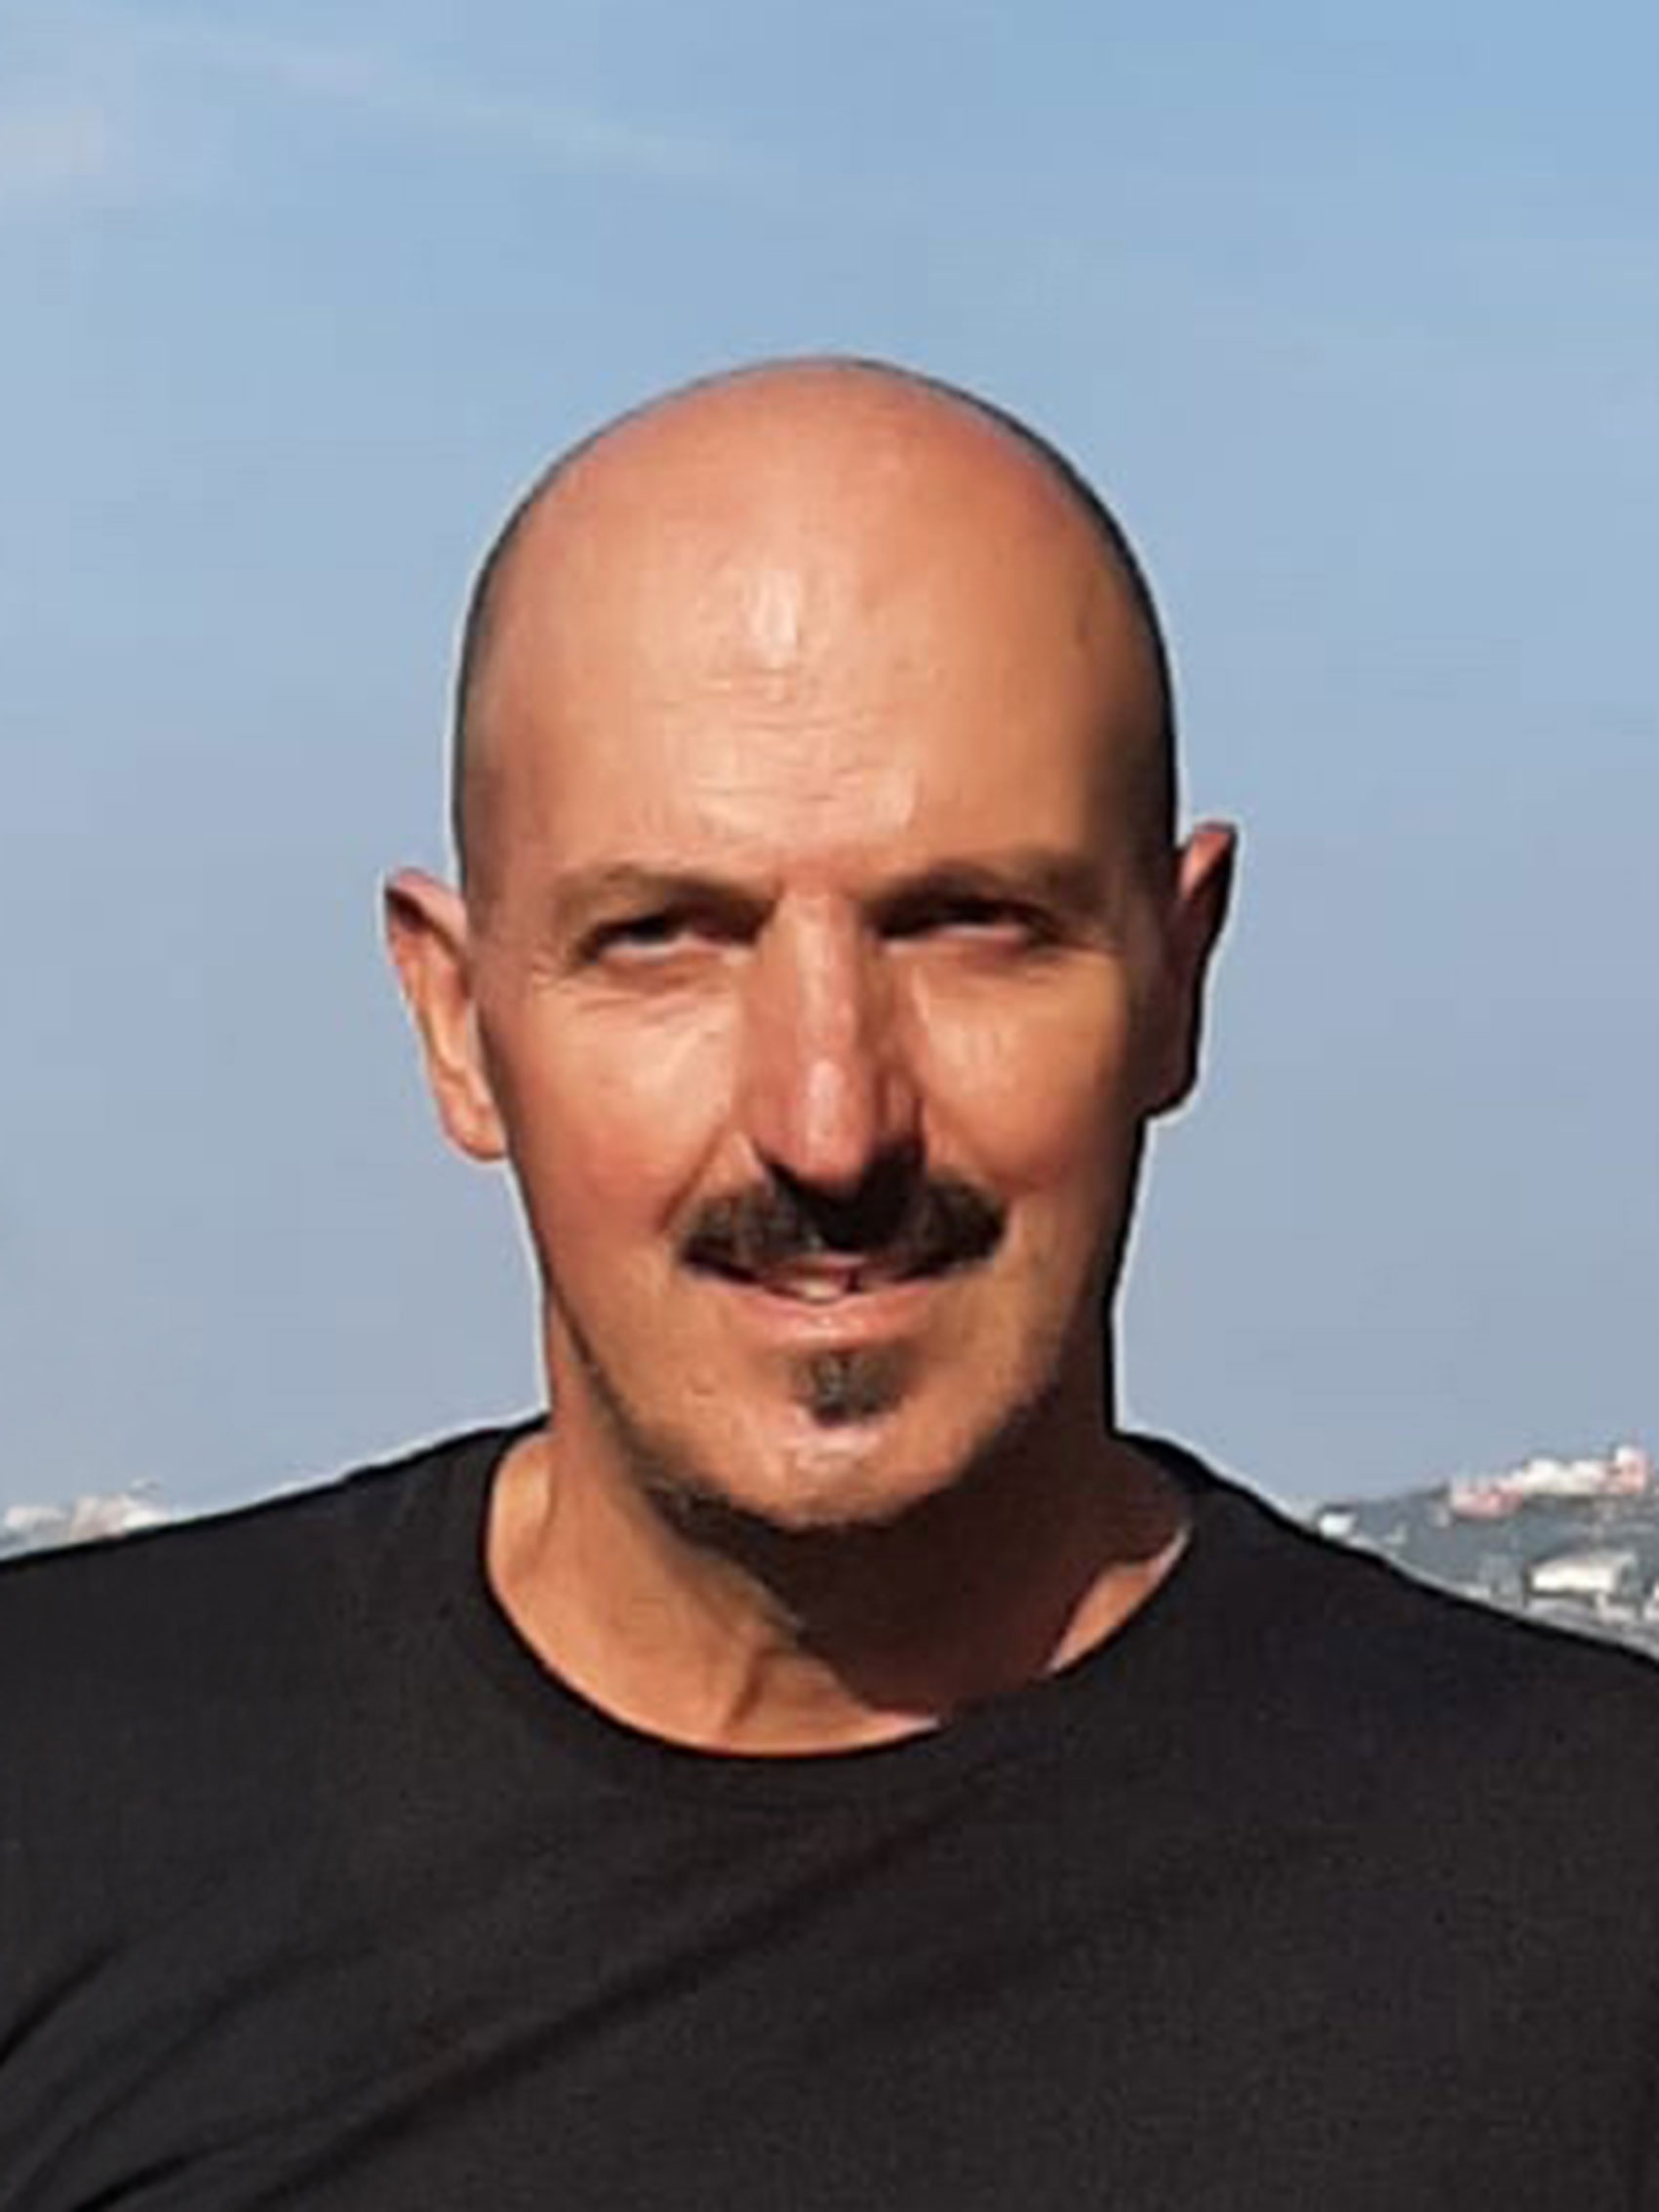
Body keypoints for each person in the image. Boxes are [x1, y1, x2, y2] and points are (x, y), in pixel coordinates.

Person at [3, 359, 1656, 2211]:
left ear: (1176, 977)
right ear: (456, 1022)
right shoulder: (54, 1805)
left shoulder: (1594, 1917)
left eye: (968, 926)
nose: (827, 1119)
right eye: (664, 940)